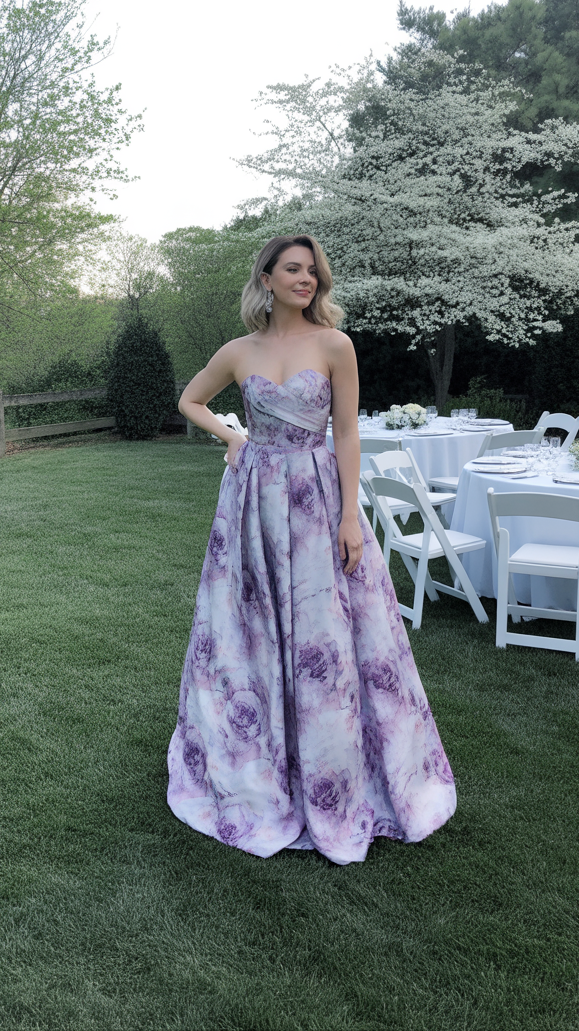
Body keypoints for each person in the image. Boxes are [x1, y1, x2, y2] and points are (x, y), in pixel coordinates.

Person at [167, 234, 456, 864]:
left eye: (313, 272)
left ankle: (335, 767)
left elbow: (347, 432)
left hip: (319, 500)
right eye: (293, 270)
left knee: (327, 630)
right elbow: (191, 399)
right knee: (252, 628)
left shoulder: (335, 344)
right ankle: (261, 760)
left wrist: (351, 516)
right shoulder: (237, 350)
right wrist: (232, 436)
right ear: (266, 279)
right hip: (253, 505)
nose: (307, 280)